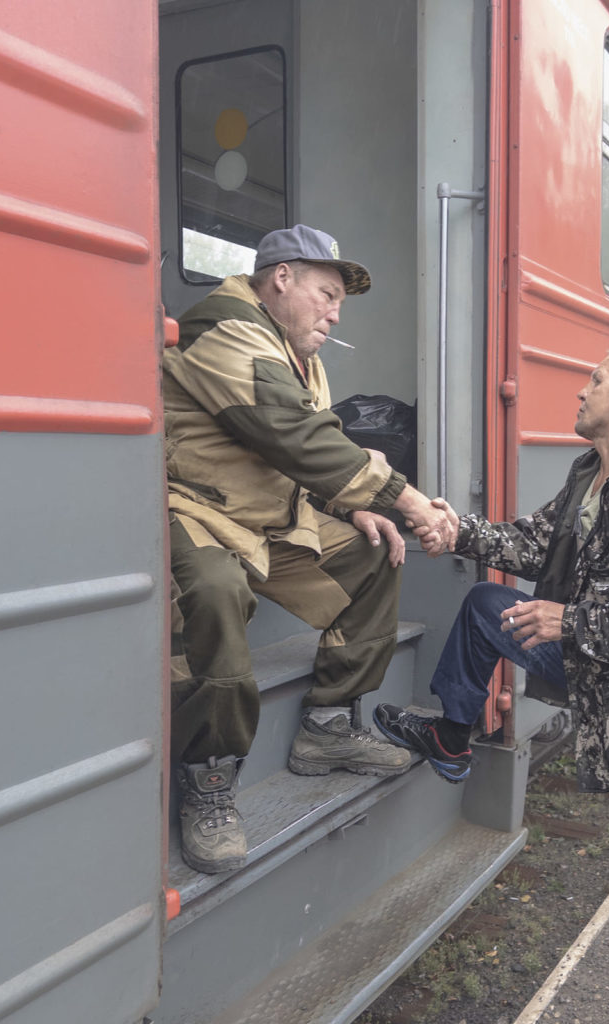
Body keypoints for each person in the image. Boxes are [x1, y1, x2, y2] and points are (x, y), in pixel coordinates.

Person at [375, 346, 609, 1024]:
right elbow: (531, 546)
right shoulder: (594, 475)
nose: (581, 389)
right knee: (489, 607)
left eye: (594, 378)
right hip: (600, 673)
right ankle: (453, 736)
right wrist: (458, 530)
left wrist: (569, 619)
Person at [164, 224, 456, 875]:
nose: (334, 312)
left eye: (340, 304)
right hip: (201, 514)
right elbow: (293, 434)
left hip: (271, 521)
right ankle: (209, 778)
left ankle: (325, 728)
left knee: (375, 554)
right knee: (215, 593)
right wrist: (405, 501)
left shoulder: (300, 354)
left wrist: (352, 505)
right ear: (281, 279)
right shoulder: (224, 328)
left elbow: (296, 453)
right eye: (326, 294)